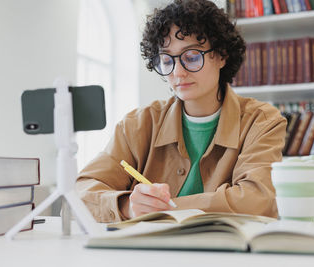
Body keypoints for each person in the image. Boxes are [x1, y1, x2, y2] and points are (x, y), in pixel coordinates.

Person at [76, 0, 286, 222]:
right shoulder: (138, 124)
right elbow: (80, 195)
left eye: (192, 57)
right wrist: (127, 206)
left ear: (222, 55)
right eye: (167, 60)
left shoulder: (261, 121)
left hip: (228, 254)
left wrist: (165, 209)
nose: (178, 72)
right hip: (148, 255)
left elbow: (256, 201)